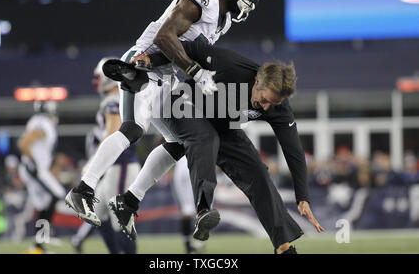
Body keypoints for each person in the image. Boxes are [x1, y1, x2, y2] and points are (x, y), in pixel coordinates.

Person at [65, 0, 261, 232]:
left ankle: (129, 201)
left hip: (166, 76)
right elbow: (164, 38)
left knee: (179, 141)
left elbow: (193, 54)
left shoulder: (222, 21)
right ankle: (82, 189)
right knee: (133, 129)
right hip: (142, 64)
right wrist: (195, 72)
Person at [108, 40, 324, 254]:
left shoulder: (278, 106)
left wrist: (302, 196)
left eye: (273, 104)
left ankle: (283, 248)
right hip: (186, 105)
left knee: (259, 174)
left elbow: (293, 150)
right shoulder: (230, 65)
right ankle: (203, 209)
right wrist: (151, 59)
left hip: (224, 125)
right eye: (265, 100)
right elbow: (190, 48)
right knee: (204, 138)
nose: (267, 107)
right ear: (257, 81)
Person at [69, 59, 140, 254]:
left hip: (121, 164)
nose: (97, 81)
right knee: (99, 214)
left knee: (120, 219)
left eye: (99, 77)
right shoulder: (122, 96)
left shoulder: (113, 100)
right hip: (115, 167)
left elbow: (113, 133)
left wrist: (93, 164)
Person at [17, 100, 66, 254]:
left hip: (36, 169)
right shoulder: (41, 122)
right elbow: (23, 143)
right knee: (57, 194)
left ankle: (38, 246)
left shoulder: (39, 122)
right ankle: (43, 237)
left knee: (43, 205)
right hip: (34, 170)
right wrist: (34, 163)